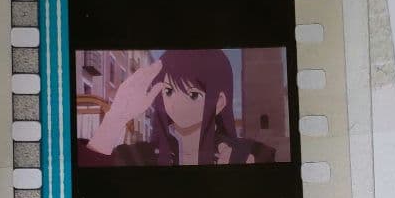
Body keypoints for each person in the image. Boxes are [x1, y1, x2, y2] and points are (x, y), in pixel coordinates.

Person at [78, 50, 275, 167]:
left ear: (219, 102)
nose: (176, 103)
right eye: (169, 91)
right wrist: (116, 116)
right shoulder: (139, 155)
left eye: (193, 94)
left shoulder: (251, 154)